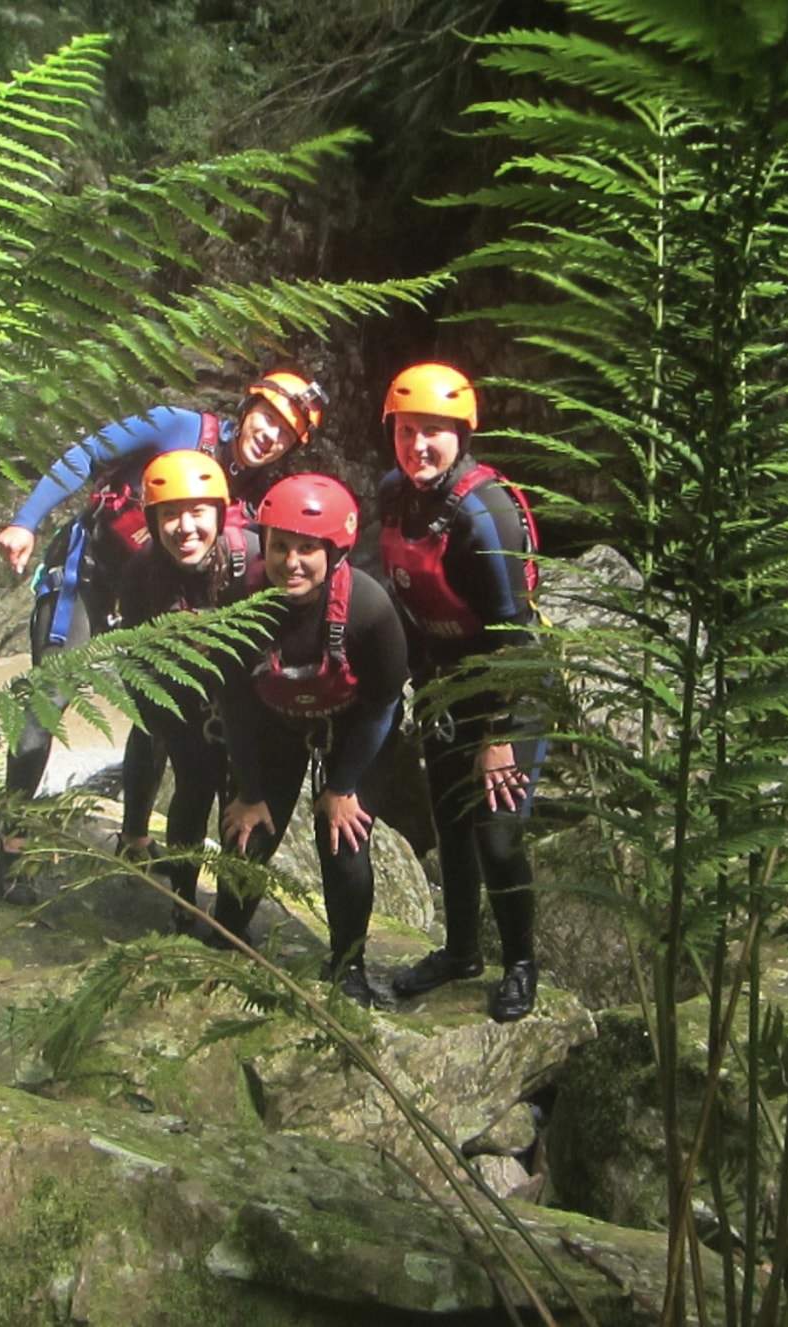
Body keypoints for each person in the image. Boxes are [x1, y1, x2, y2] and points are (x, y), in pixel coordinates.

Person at [0, 372, 326, 897]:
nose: (271, 435)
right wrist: (26, 521)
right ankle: (11, 840)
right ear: (249, 405)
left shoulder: (261, 496)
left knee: (158, 708)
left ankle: (133, 838)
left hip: (154, 596)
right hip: (91, 575)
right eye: (269, 418)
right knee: (49, 696)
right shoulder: (176, 425)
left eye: (286, 433)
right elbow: (87, 454)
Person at [378, 362, 544, 1022]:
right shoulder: (395, 494)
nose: (419, 445)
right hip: (445, 685)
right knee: (449, 822)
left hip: (512, 687)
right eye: (407, 430)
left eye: (435, 433)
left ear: (462, 435)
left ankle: (522, 963)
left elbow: (518, 636)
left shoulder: (485, 513)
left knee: (496, 835)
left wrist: (498, 736)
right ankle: (461, 950)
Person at [215, 474, 408, 1007]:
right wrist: (250, 791)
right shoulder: (240, 601)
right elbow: (231, 700)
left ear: (333, 552)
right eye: (280, 547)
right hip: (274, 724)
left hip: (354, 731)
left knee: (342, 837)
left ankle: (349, 964)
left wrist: (343, 785)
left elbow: (384, 704)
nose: (291, 562)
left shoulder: (370, 610)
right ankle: (227, 937)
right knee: (245, 831)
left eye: (307, 549)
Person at [117, 450, 258, 932]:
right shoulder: (142, 572)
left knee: (243, 804)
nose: (185, 528)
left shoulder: (252, 558)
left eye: (198, 513)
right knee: (193, 794)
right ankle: (185, 901)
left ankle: (233, 918)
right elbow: (135, 656)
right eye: (170, 515)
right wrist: (160, 720)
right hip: (183, 702)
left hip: (247, 701)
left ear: (219, 514)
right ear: (153, 522)